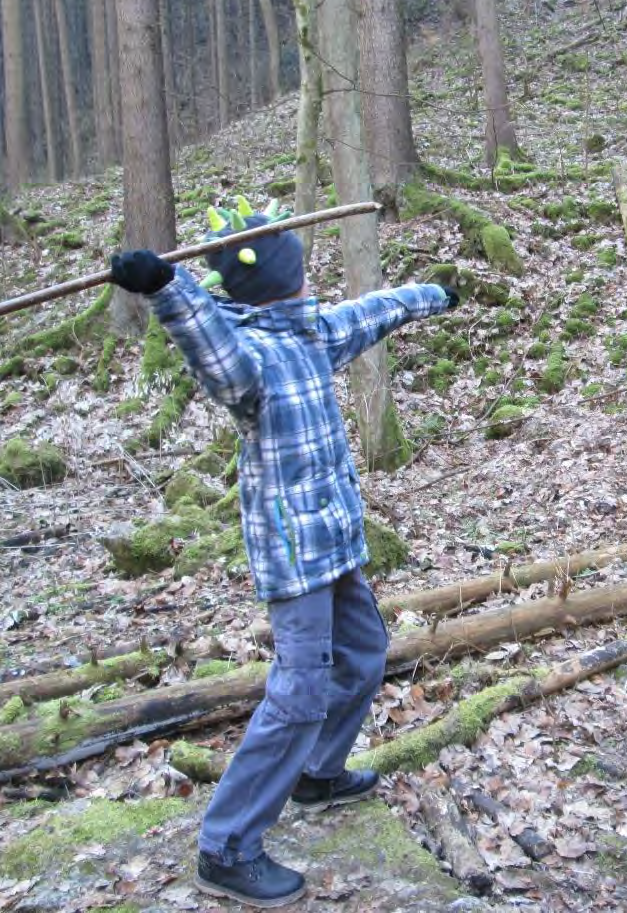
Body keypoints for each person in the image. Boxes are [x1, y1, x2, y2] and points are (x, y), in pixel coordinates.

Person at [110, 201, 459, 908]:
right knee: (298, 691)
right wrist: (163, 287)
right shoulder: (250, 362)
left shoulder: (309, 333)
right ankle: (226, 845)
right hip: (293, 556)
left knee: (363, 656)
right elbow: (209, 344)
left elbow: (374, 310)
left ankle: (318, 774)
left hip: (336, 545)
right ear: (278, 283)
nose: (308, 283)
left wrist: (434, 297)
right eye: (296, 273)